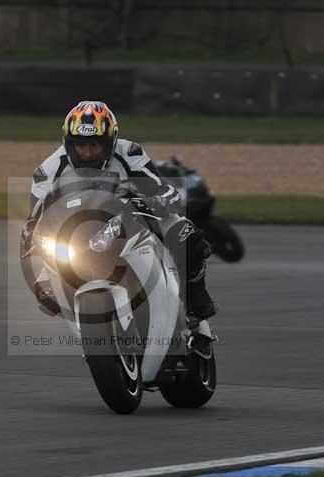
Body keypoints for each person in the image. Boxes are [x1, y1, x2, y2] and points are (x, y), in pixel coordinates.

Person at [22, 101, 216, 350]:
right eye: (81, 145)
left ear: (111, 142)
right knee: (43, 285)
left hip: (131, 221)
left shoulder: (131, 154)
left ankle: (197, 312)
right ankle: (91, 328)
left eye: (95, 145)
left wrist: (160, 200)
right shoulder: (48, 170)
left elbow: (164, 189)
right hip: (78, 235)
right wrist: (33, 238)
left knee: (183, 232)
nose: (88, 153)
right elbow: (36, 217)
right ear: (68, 143)